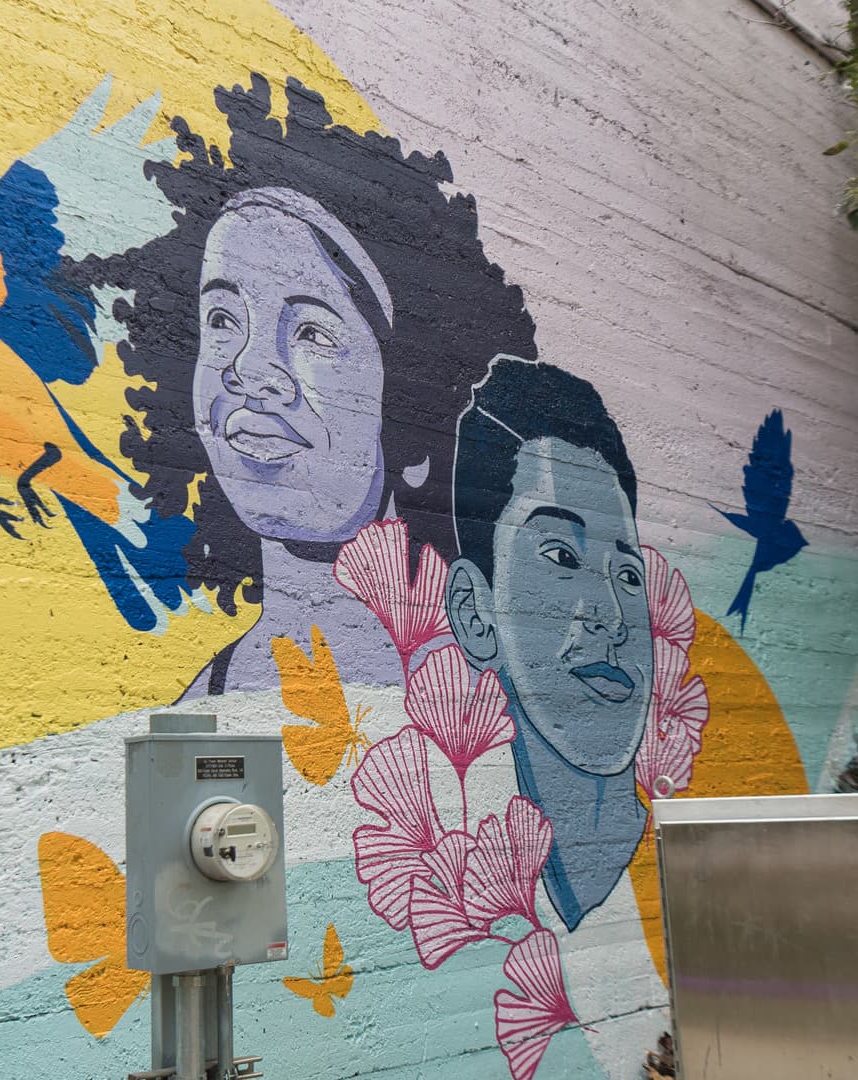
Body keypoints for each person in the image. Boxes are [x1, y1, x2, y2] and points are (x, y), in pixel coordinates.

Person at [76, 74, 536, 694]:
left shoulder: (493, 704)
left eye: (313, 333)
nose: (249, 369)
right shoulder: (202, 707)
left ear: (413, 399)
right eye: (221, 320)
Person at [444, 356, 653, 931]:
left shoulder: (675, 863)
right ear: (474, 615)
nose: (613, 618)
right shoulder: (480, 902)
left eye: (629, 575)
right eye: (562, 555)